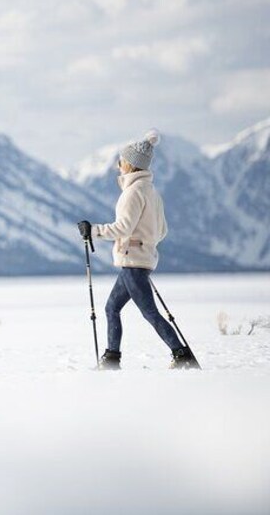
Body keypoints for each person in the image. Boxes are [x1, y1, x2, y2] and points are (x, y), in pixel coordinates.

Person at [78, 129, 199, 370]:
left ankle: (181, 355)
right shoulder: (152, 192)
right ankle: (112, 358)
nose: (118, 166)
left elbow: (123, 227)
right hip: (138, 260)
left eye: (121, 161)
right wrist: (145, 244)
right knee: (112, 307)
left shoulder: (132, 193)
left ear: (131, 165)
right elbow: (162, 230)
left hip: (132, 261)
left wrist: (93, 230)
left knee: (150, 313)